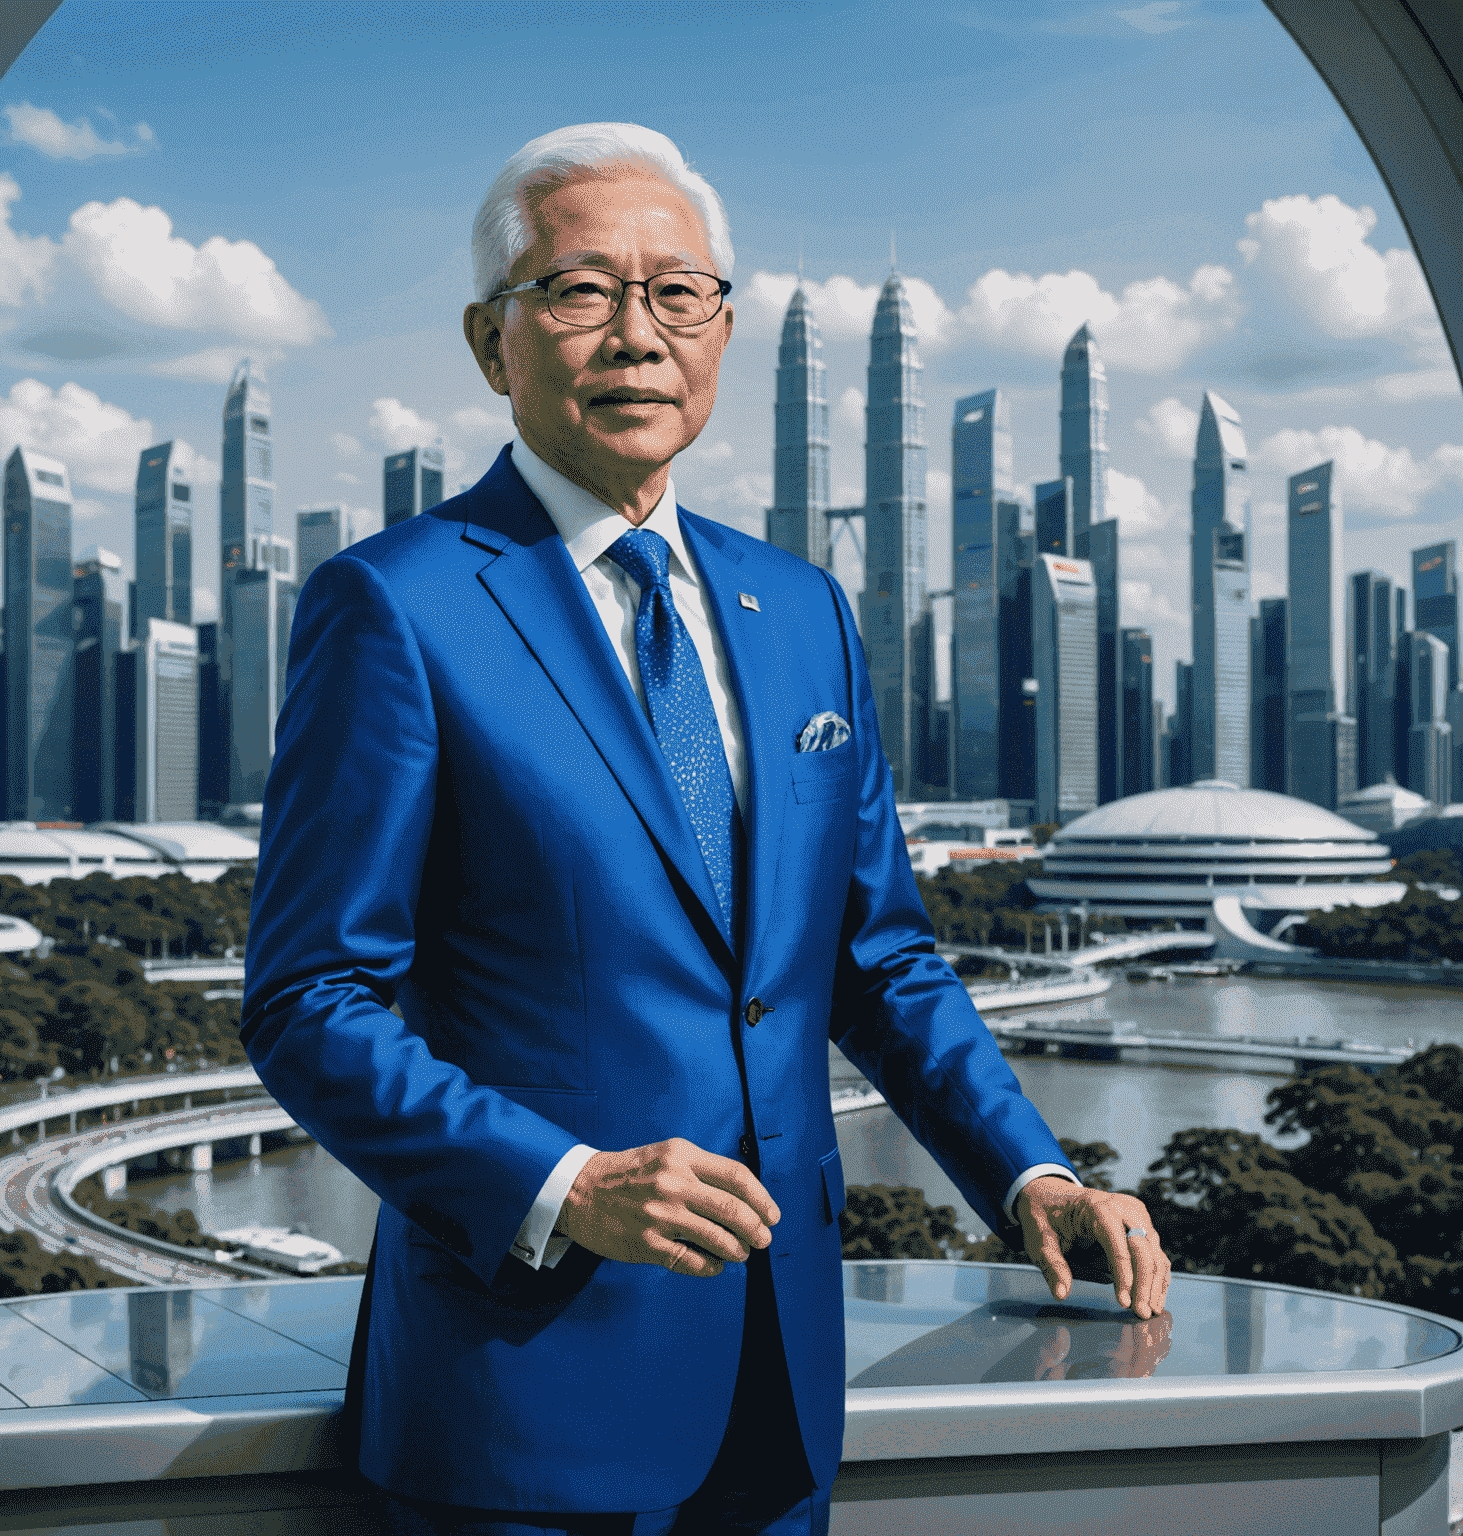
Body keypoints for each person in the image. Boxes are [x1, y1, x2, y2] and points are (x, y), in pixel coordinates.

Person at [242, 121, 1170, 1536]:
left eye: (679, 293)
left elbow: (879, 958)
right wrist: (563, 1182)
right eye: (581, 290)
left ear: (724, 335)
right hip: (521, 1399)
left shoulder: (801, 611)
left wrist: (1028, 1169)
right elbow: (310, 999)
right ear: (494, 344)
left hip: (780, 1388)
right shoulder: (398, 607)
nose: (638, 334)